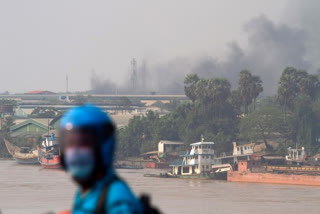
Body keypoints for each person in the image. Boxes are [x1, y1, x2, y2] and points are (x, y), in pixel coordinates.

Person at [59, 104, 143, 214]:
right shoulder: (85, 191)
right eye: (71, 144)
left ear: (103, 147)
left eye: (84, 143)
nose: (75, 152)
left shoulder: (117, 199)